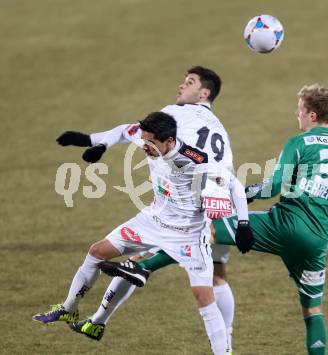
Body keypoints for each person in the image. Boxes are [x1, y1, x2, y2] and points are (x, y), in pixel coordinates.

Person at [100, 84, 328, 355]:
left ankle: (145, 267)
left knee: (206, 229)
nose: (297, 114)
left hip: (284, 224)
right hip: (318, 239)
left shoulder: (299, 142)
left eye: (300, 110)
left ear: (312, 115)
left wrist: (242, 194)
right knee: (313, 310)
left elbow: (273, 186)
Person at [33, 112, 254, 355]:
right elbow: (122, 130)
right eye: (144, 140)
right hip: (151, 222)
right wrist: (93, 142)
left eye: (151, 143)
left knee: (204, 297)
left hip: (188, 234)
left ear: (169, 141)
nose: (144, 146)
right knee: (97, 252)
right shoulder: (147, 137)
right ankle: (69, 308)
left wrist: (243, 224)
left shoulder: (194, 159)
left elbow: (233, 185)